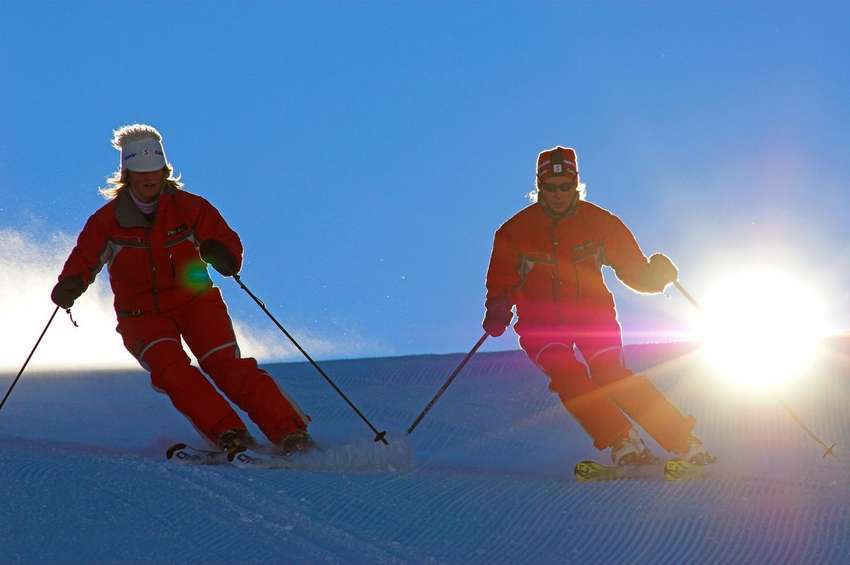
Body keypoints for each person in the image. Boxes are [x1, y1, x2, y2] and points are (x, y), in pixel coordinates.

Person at [51, 124, 313, 458]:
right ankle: (229, 434)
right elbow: (84, 258)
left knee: (225, 365)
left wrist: (223, 254)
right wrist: (71, 283)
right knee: (172, 371)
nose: (150, 178)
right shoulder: (107, 222)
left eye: (155, 171)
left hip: (195, 303)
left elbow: (225, 240)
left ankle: (290, 432)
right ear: (127, 175)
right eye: (141, 172)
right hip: (141, 315)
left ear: (165, 171)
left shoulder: (190, 208)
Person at [482, 146, 714, 466]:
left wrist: (656, 276)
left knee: (611, 374)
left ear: (576, 184)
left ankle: (682, 439)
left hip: (592, 317)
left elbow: (633, 270)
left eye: (566, 186)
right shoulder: (515, 231)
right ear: (539, 187)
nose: (558, 194)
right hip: (540, 323)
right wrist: (497, 307)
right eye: (550, 187)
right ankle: (623, 442)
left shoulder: (600, 223)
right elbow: (501, 279)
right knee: (567, 377)